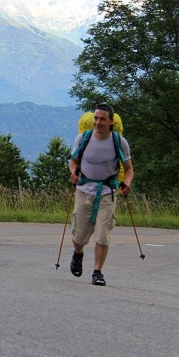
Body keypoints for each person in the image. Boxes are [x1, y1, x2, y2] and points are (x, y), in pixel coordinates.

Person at [68, 103, 134, 286]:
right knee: (79, 236)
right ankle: (78, 253)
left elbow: (128, 169)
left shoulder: (119, 142)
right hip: (84, 190)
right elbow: (73, 162)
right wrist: (74, 173)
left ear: (111, 121)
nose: (98, 122)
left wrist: (127, 183)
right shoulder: (83, 138)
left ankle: (97, 272)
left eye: (102, 119)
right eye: (96, 118)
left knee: (103, 235)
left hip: (107, 193)